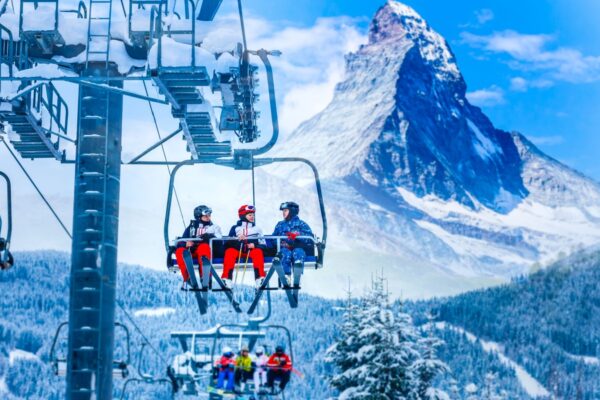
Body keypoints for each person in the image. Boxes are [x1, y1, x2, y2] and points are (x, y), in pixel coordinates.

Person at [174, 205, 222, 287]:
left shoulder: (213, 228)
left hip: (204, 251)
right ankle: (188, 277)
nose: (208, 218)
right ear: (199, 217)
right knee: (180, 251)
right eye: (205, 216)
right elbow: (181, 241)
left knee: (204, 247)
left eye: (209, 215)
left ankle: (205, 277)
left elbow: (218, 241)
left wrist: (210, 237)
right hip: (191, 252)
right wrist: (186, 244)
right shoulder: (191, 228)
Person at [221, 205, 266, 289]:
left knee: (258, 252)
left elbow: (263, 244)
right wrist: (237, 240)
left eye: (253, 215)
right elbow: (228, 243)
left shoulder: (257, 229)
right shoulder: (235, 228)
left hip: (251, 251)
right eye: (250, 215)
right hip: (239, 250)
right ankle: (227, 278)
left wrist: (255, 245)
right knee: (230, 252)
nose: (252, 217)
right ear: (243, 216)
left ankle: (259, 278)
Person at [270, 202, 314, 284]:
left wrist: (298, 235)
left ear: (292, 211)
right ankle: (286, 276)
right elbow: (273, 238)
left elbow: (309, 239)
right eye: (283, 211)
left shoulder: (301, 224)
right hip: (285, 248)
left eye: (286, 211)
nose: (283, 213)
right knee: (284, 253)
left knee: (298, 252)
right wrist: (281, 243)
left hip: (298, 247)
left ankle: (297, 273)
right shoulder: (280, 225)